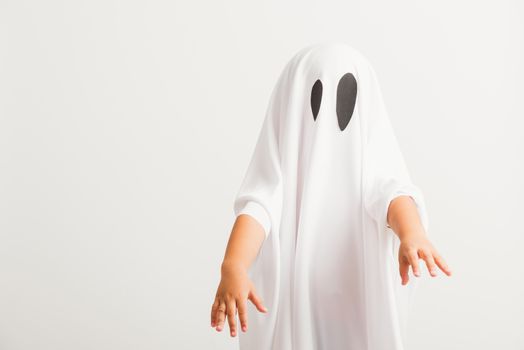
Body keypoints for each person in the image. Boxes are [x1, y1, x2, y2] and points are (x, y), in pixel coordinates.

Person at [210, 42, 452, 350]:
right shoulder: (281, 173)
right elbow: (258, 208)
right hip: (294, 306)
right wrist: (234, 265)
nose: (327, 119)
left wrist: (412, 233)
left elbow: (393, 192)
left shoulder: (369, 165)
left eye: (346, 95)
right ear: (292, 105)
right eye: (317, 96)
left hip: (354, 300)